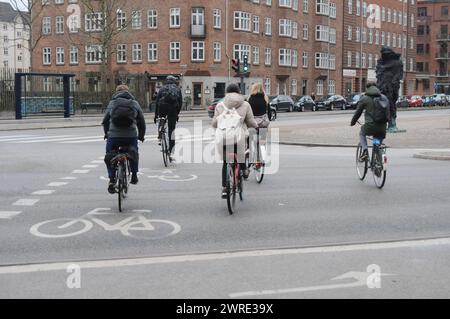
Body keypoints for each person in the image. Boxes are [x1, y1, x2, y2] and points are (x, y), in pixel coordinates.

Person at [212, 83, 258, 198]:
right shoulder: (246, 104)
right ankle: (244, 170)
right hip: (239, 137)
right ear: (239, 92)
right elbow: (251, 121)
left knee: (226, 162)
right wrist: (255, 126)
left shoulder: (220, 105)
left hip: (224, 137)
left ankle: (224, 188)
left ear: (226, 93)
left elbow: (214, 123)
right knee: (241, 152)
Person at [102, 85, 146, 194]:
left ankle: (112, 179)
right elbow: (141, 121)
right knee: (134, 152)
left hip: (114, 137)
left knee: (109, 155)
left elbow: (105, 121)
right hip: (130, 136)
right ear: (128, 92)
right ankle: (134, 175)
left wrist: (107, 133)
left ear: (116, 92)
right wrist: (141, 135)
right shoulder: (134, 103)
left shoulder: (112, 103)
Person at [350, 82, 389, 161]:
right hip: (382, 127)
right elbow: (388, 112)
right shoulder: (384, 98)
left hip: (370, 126)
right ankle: (378, 165)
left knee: (362, 133)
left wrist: (353, 122)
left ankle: (365, 151)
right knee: (377, 142)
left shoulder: (365, 98)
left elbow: (358, 113)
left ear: (367, 89)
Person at [154, 75, 182, 160]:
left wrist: (156, 115)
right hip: (172, 109)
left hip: (162, 107)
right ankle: (171, 152)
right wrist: (177, 114)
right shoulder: (177, 89)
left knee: (161, 119)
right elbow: (180, 103)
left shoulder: (162, 89)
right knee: (171, 131)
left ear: (166, 81)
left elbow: (157, 102)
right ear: (174, 81)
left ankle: (160, 135)